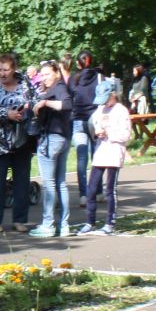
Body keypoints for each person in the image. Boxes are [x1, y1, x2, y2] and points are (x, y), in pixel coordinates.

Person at [0, 54, 36, 233]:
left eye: (6, 70)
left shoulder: (25, 83)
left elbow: (34, 102)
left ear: (14, 69)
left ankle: (20, 220)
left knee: (22, 182)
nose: (2, 74)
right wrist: (6, 114)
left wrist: (27, 111)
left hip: (21, 139)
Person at [29, 59, 74, 237]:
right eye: (43, 74)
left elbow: (67, 104)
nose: (44, 77)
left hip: (53, 139)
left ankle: (48, 224)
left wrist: (45, 103)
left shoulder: (59, 87)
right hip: (62, 138)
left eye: (48, 74)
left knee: (49, 184)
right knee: (60, 183)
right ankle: (64, 225)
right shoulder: (51, 89)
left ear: (57, 72)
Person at [80, 77, 131, 235]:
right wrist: (96, 131)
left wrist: (108, 132)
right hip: (101, 152)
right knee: (92, 188)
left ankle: (110, 223)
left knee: (110, 190)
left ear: (113, 95)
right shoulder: (100, 110)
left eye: (106, 99)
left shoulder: (121, 110)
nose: (104, 103)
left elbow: (125, 134)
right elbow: (94, 123)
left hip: (114, 152)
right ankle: (90, 221)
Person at [68, 51, 101, 215]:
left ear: (78, 63)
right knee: (97, 157)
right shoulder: (98, 76)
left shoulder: (75, 78)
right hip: (94, 119)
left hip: (78, 120)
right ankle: (98, 191)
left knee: (82, 158)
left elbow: (70, 95)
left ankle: (83, 195)